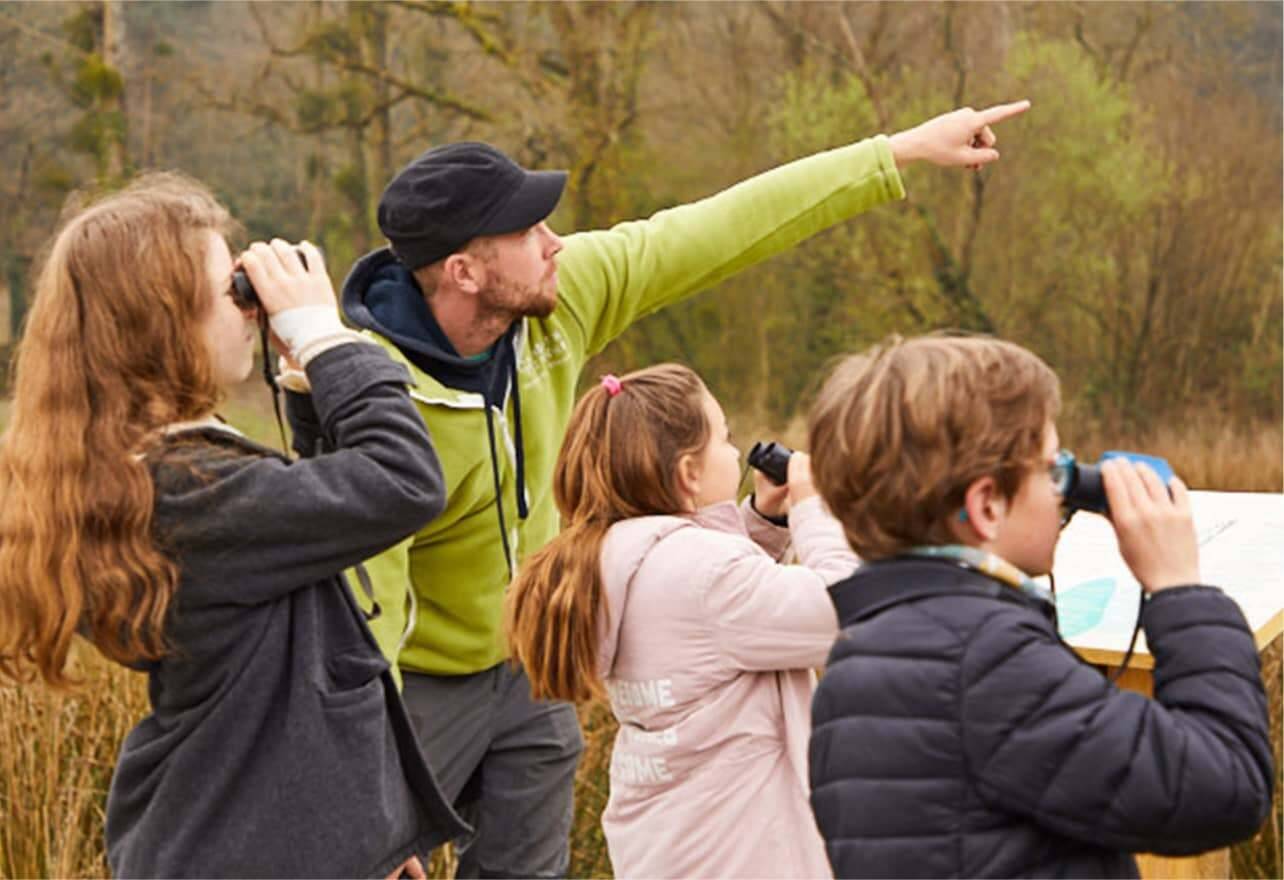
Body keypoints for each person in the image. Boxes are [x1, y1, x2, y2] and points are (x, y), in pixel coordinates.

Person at [340, 99, 1031, 875]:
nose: (555, 241)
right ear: (464, 271)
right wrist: (375, 813)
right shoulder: (374, 394)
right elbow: (365, 600)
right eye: (527, 233)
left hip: (530, 669)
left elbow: (720, 228)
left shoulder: (557, 298)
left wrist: (897, 152)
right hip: (415, 685)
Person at [0, 173, 466, 878]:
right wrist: (326, 340)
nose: (252, 310)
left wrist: (364, 830)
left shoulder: (155, 476)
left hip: (242, 836)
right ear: (162, 324)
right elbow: (402, 481)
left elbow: (313, 537)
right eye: (233, 291)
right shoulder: (186, 495)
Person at [805, 334, 1274, 878]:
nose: (1063, 494)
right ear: (986, 506)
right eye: (1052, 472)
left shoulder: (858, 659)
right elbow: (1225, 787)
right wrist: (1180, 590)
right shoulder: (985, 661)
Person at [504, 363, 856, 878]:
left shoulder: (616, 558)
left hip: (673, 848)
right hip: (745, 856)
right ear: (689, 472)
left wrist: (765, 523)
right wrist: (812, 511)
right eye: (723, 437)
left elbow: (707, 624)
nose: (736, 453)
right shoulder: (704, 576)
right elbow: (847, 609)